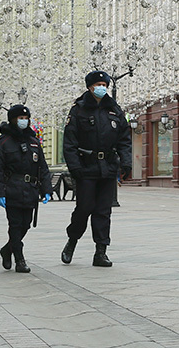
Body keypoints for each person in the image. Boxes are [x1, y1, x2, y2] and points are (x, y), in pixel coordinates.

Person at [61, 71, 132, 267]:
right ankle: (72, 241)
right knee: (84, 208)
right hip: (86, 167)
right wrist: (75, 167)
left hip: (108, 168)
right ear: (90, 87)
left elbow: (124, 139)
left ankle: (100, 252)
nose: (102, 87)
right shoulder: (79, 110)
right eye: (98, 84)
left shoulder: (114, 109)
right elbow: (69, 142)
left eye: (104, 84)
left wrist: (126, 163)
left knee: (103, 211)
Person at [0, 104, 52, 273]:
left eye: (26, 118)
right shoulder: (2, 143)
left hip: (30, 190)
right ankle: (20, 259)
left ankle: (6, 250)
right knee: (15, 225)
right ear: (13, 120)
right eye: (20, 118)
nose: (23, 121)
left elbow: (43, 168)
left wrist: (47, 189)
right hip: (12, 189)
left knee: (26, 225)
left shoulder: (33, 142)